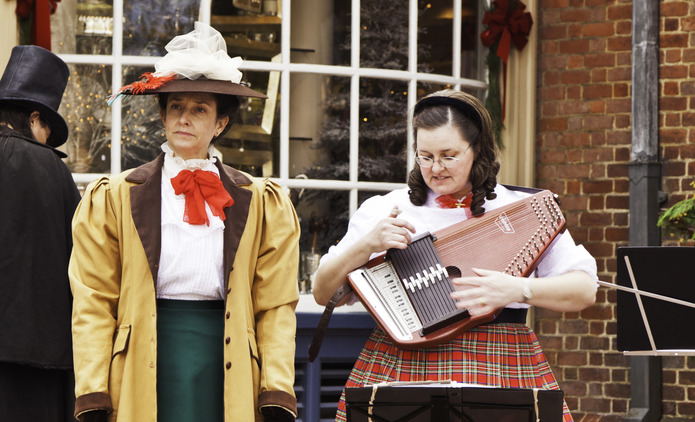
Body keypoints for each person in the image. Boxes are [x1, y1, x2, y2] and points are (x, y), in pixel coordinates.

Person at [312, 89, 598, 422]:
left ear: (478, 150)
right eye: (425, 156)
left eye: (449, 155)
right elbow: (322, 293)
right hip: (404, 360)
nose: (435, 168)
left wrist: (517, 290)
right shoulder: (383, 210)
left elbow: (584, 290)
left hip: (499, 358)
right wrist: (366, 245)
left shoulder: (520, 211)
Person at [69, 23, 300, 422]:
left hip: (228, 361)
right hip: (144, 355)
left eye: (199, 109)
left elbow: (276, 304)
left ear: (220, 124)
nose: (184, 118)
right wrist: (93, 389)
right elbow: (93, 299)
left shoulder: (263, 202)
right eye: (176, 107)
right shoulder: (114, 196)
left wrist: (276, 387)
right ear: (163, 115)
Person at [0, 45, 80, 421]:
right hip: (40, 365)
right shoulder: (54, 171)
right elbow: (84, 263)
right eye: (48, 129)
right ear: (35, 119)